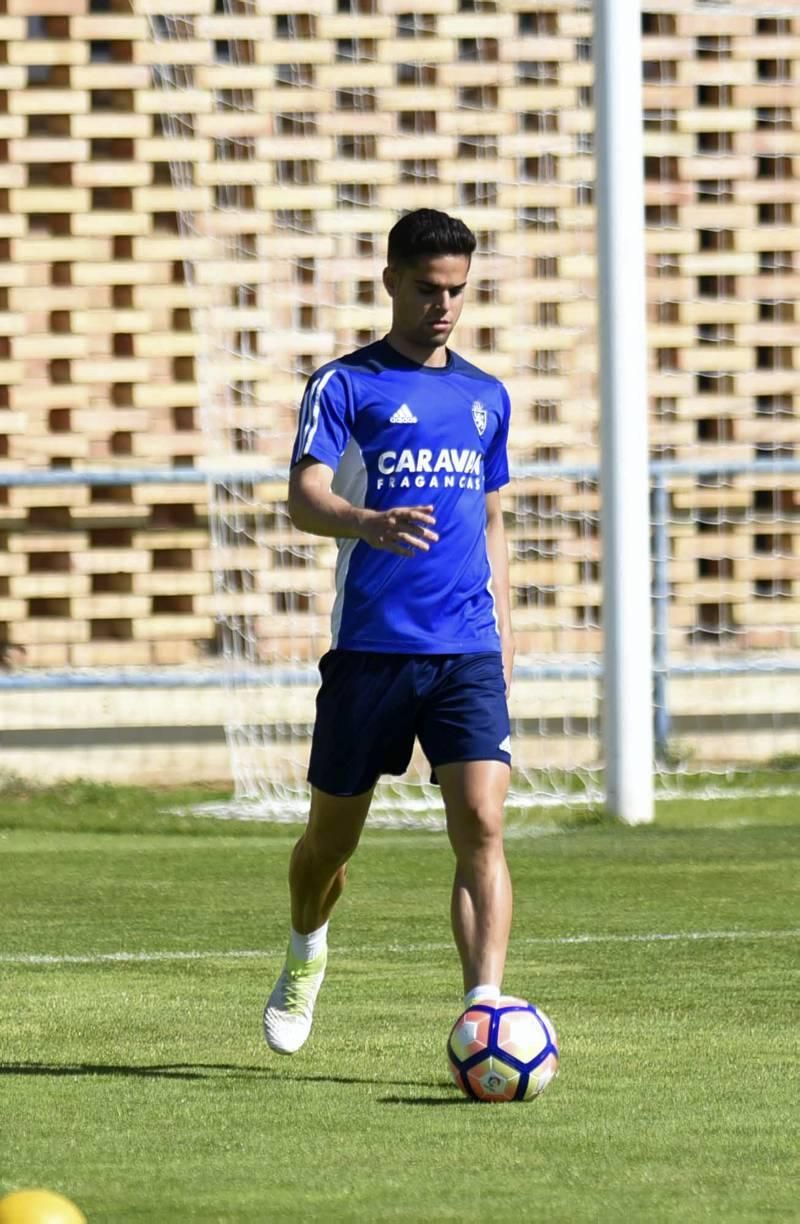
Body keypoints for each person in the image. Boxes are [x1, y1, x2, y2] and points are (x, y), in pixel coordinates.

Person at [264, 208, 515, 1055]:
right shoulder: (345, 386)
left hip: (466, 653)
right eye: (427, 289)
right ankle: (305, 949)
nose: (443, 307)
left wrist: (503, 641)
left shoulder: (486, 396)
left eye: (457, 292)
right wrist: (364, 523)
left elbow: (491, 522)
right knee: (329, 844)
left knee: (481, 824)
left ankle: (484, 1009)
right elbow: (303, 498)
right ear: (391, 282)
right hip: (372, 651)